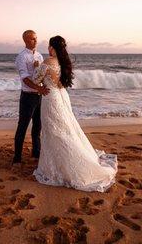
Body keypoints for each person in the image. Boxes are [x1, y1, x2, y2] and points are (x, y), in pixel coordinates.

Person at [32, 35, 117, 192]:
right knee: (65, 128)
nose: (48, 49)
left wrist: (36, 65)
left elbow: (36, 80)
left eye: (49, 46)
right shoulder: (64, 62)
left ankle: (58, 166)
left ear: (52, 47)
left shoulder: (47, 62)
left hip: (50, 98)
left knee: (54, 131)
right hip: (62, 96)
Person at [12, 30, 49, 166]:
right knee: (22, 126)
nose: (36, 41)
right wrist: (38, 88)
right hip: (28, 96)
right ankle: (17, 158)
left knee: (37, 126)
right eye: (33, 39)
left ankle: (36, 152)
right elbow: (25, 78)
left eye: (36, 38)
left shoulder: (39, 55)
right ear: (26, 40)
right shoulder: (21, 57)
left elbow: (41, 74)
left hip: (39, 96)